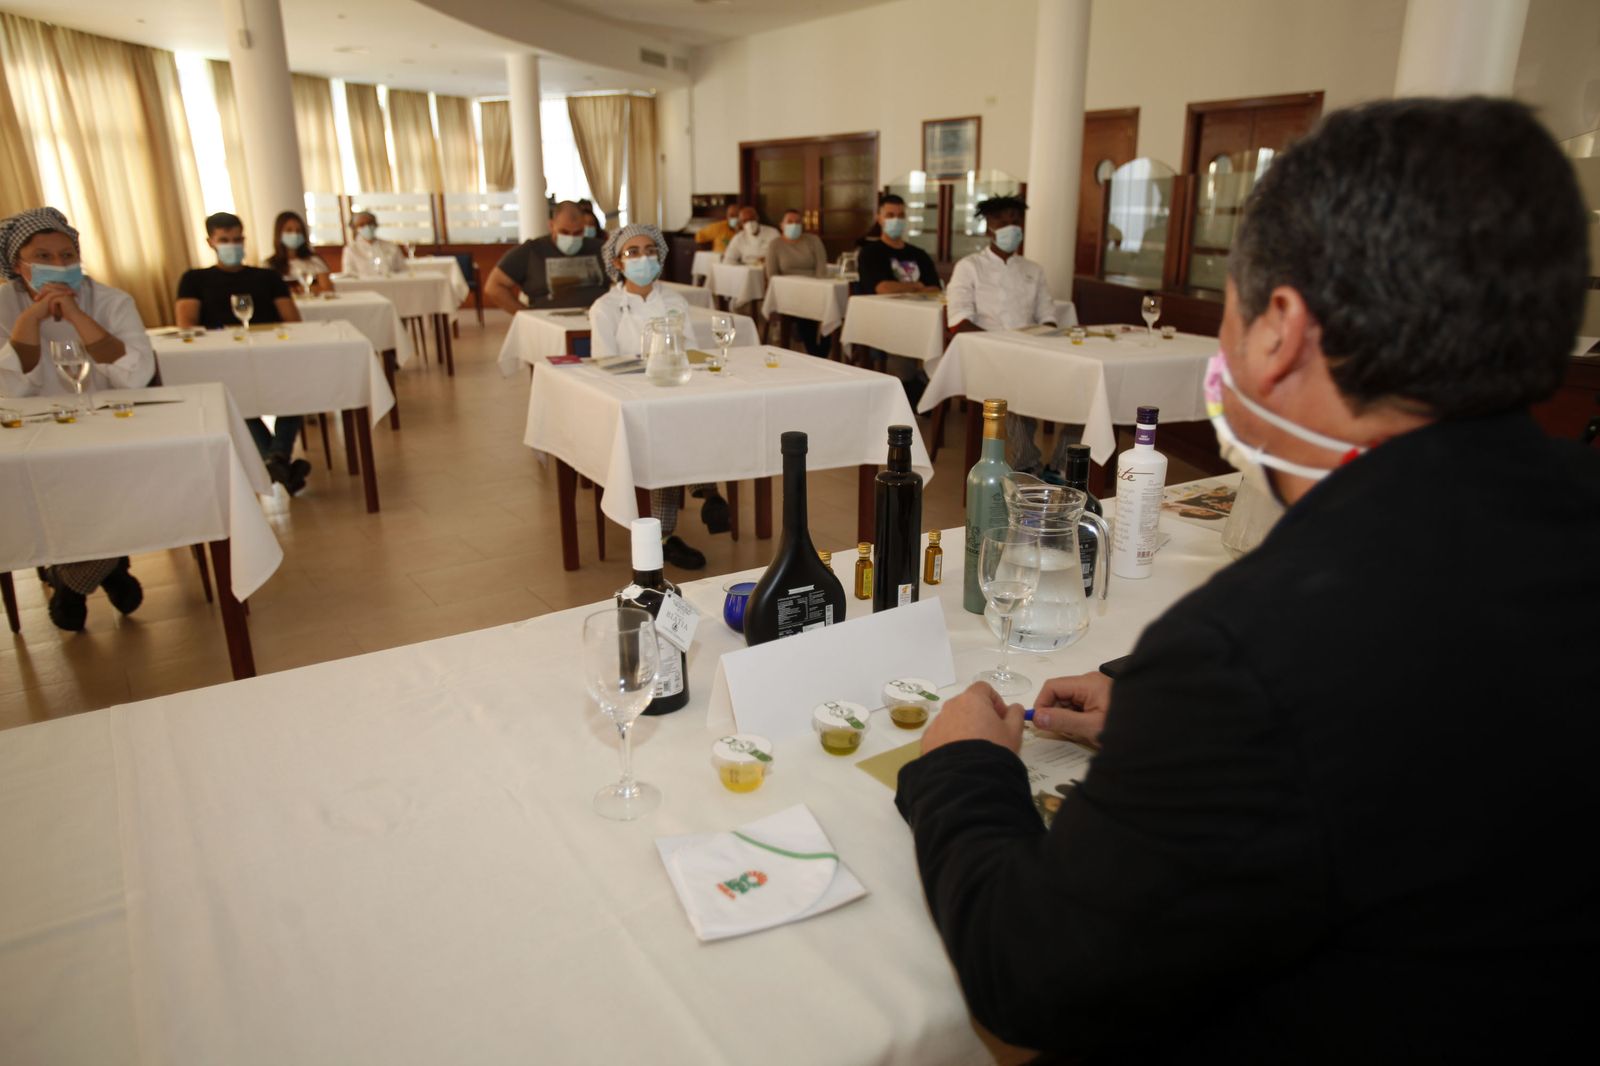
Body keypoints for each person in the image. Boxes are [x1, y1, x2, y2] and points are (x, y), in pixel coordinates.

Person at [894, 97, 1598, 1062]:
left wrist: (961, 768)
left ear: (1280, 328)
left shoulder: (1250, 653)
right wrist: (1152, 706)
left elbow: (1039, 977)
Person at [0, 207, 155, 630]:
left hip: (109, 427)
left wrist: (76, 316)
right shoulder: (2, 305)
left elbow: (135, 375)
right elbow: (9, 389)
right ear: (19, 264)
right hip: (29, 434)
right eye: (44, 256)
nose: (58, 265)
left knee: (111, 489)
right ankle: (111, 570)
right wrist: (31, 318)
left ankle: (71, 582)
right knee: (43, 492)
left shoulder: (111, 301)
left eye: (67, 255)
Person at [589, 223, 729, 570]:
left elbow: (692, 351)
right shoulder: (605, 307)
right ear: (618, 263)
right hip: (631, 399)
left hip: (674, 391)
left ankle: (702, 496)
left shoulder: (674, 301)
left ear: (660, 257)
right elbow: (604, 363)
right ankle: (684, 515)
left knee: (702, 418)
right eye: (632, 252)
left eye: (650, 250)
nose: (643, 257)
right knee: (666, 438)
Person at [175, 211, 310, 495]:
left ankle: (275, 459)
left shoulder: (267, 277)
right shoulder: (195, 279)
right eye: (225, 240)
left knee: (298, 388)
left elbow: (292, 320)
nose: (232, 245)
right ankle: (280, 461)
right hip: (221, 360)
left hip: (270, 355)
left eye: (237, 239)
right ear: (211, 242)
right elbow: (186, 324)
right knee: (232, 394)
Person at [945, 195, 1069, 479]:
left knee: (1081, 394)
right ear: (988, 226)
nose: (1010, 228)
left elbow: (1048, 316)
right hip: (989, 356)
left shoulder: (1033, 270)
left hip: (1033, 351)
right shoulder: (969, 267)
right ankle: (1028, 464)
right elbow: (958, 322)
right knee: (1011, 391)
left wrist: (1038, 338)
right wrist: (1002, 345)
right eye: (1002, 222)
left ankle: (1060, 465)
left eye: (1015, 222)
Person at [485, 200, 607, 313]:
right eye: (564, 232)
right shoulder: (531, 251)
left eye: (578, 232)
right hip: (548, 322)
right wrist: (525, 316)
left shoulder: (601, 249)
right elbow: (494, 286)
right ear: (551, 226)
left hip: (595, 319)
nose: (571, 238)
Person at [765, 209, 832, 357]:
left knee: (827, 307)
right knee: (805, 314)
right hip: (788, 292)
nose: (794, 225)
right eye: (790, 222)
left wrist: (814, 287)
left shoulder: (813, 241)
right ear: (781, 225)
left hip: (814, 288)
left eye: (797, 222)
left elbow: (821, 269)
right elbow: (772, 275)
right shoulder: (775, 245)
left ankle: (822, 350)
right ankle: (815, 352)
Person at [856, 195, 940, 296]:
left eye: (901, 216)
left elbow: (935, 288)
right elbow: (883, 288)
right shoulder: (870, 253)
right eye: (890, 215)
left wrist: (901, 288)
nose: (896, 220)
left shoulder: (919, 254)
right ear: (879, 219)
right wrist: (917, 286)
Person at [265, 210, 332, 296]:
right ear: (279, 234)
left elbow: (327, 289)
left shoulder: (315, 261)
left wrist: (302, 289)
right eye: (289, 230)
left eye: (298, 230)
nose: (294, 234)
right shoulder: (269, 265)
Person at [342, 211, 406, 277]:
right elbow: (349, 274)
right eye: (361, 225)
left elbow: (403, 270)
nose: (367, 227)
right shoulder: (351, 250)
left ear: (375, 224)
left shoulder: (391, 246)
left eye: (369, 223)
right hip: (363, 286)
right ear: (355, 228)